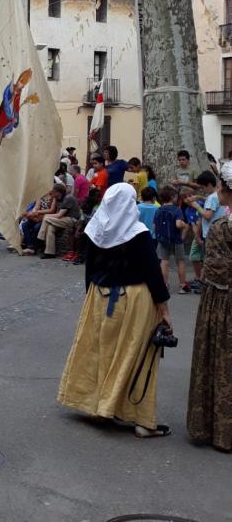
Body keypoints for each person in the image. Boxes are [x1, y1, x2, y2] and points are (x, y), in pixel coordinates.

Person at [58, 183, 173, 438]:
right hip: (133, 299)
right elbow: (153, 273)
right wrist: (164, 309)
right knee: (137, 354)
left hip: (99, 296)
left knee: (100, 351)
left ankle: (100, 407)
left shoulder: (95, 229)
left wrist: (90, 299)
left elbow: (90, 269)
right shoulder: (138, 233)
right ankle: (140, 419)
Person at [187, 160, 232, 451]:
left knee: (221, 361)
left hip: (223, 302)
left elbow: (214, 273)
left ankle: (218, 430)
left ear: (226, 190)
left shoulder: (220, 228)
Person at [152, 185, 189, 293]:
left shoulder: (158, 210)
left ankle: (164, 285)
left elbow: (154, 225)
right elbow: (178, 224)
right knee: (180, 261)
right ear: (172, 197)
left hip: (163, 239)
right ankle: (182, 286)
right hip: (176, 239)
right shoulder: (177, 210)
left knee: (164, 261)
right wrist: (184, 225)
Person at [37, 183, 81, 259]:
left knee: (46, 218)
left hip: (72, 220)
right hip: (64, 219)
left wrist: (46, 216)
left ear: (58, 192)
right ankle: (49, 253)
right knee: (50, 227)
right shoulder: (58, 199)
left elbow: (59, 215)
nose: (51, 193)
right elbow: (58, 214)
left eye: (53, 192)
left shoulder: (68, 198)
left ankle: (40, 238)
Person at [20, 187, 61, 254]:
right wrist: (33, 212)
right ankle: (30, 246)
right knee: (25, 225)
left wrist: (38, 212)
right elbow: (37, 207)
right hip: (38, 215)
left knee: (36, 227)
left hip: (46, 216)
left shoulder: (53, 197)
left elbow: (51, 210)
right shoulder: (40, 195)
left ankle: (34, 248)